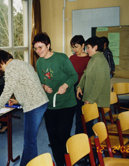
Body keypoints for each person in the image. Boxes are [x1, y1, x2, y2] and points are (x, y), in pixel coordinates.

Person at [0, 50, 49, 166]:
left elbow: (7, 91)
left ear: (2, 61)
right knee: (28, 140)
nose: (0, 70)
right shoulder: (20, 63)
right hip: (40, 102)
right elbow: (29, 85)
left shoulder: (11, 67)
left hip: (34, 106)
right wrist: (18, 100)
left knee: (30, 141)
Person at [32, 32, 78, 166]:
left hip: (66, 105)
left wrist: (65, 85)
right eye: (35, 48)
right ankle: (60, 163)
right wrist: (44, 86)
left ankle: (69, 161)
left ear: (48, 45)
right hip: (50, 106)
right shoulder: (39, 62)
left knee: (63, 136)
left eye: (40, 47)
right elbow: (41, 81)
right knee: (53, 139)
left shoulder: (61, 58)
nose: (38, 51)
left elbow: (74, 76)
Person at [77, 36, 110, 137]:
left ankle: (91, 149)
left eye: (88, 47)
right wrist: (80, 86)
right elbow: (85, 74)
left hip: (94, 99)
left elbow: (98, 83)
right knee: (87, 124)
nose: (87, 50)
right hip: (90, 97)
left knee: (88, 125)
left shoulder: (99, 61)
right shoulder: (93, 59)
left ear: (95, 47)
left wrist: (90, 99)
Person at [69, 35, 90, 134]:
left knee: (81, 114)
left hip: (83, 89)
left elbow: (89, 77)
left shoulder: (89, 59)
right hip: (72, 88)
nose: (74, 49)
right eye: (73, 47)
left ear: (83, 45)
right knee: (71, 114)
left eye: (76, 46)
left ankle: (82, 136)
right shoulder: (72, 58)